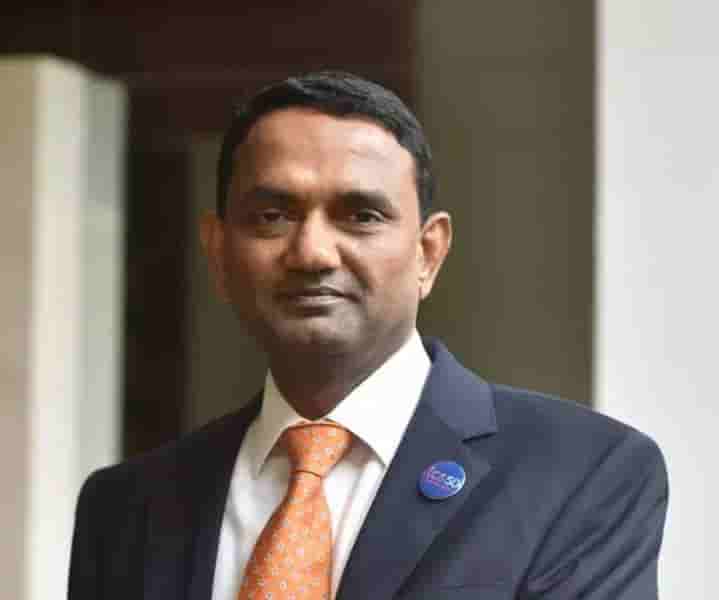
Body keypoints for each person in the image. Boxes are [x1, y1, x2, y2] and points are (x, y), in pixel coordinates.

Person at [68, 71, 668, 600]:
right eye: (272, 216)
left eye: (361, 216)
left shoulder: (581, 474)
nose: (312, 252)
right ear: (219, 253)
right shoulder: (126, 509)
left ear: (428, 253)